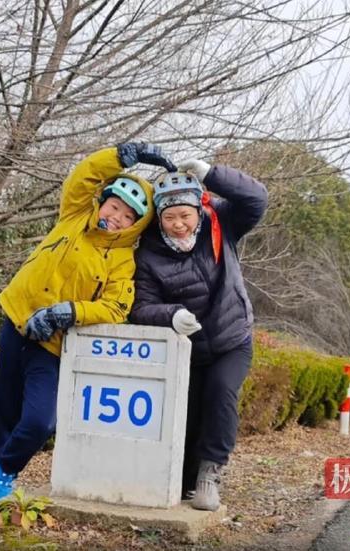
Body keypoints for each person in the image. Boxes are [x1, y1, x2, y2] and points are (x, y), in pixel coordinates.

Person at [0, 143, 176, 514]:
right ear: (103, 202)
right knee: (5, 409)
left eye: (128, 215)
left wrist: (67, 313)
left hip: (50, 345)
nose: (117, 216)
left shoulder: (122, 260)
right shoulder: (74, 215)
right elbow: (84, 174)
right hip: (16, 318)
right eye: (114, 206)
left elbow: (116, 307)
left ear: (137, 225)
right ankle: (1, 482)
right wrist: (124, 154)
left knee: (39, 420)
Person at [129, 158, 268, 511]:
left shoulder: (220, 222)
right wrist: (171, 314)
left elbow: (256, 200)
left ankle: (210, 474)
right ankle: (184, 479)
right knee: (184, 413)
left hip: (231, 339)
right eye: (170, 217)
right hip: (187, 348)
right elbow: (141, 307)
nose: (178, 225)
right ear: (158, 217)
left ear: (198, 208)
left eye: (185, 216)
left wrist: (211, 174)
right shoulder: (148, 253)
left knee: (221, 393)